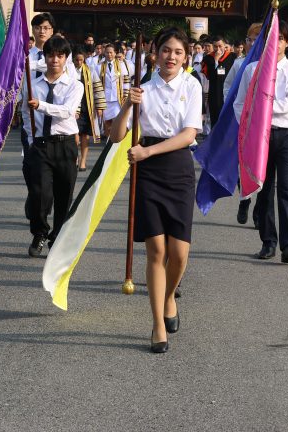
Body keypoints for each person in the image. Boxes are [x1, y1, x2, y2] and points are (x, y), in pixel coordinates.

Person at [110, 27, 201, 354]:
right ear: (155, 52)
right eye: (166, 50)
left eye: (177, 52)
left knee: (179, 254)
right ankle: (158, 324)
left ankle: (167, 298)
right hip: (147, 174)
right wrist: (126, 105)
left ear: (186, 56)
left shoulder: (192, 86)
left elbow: (190, 133)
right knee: (157, 251)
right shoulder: (142, 88)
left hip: (177, 168)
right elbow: (117, 135)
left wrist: (148, 152)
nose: (171, 57)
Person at [234, 20, 288, 264]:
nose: (277, 43)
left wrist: (260, 108)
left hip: (285, 135)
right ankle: (268, 242)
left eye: (282, 39)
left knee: (287, 188)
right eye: (272, 38)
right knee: (263, 188)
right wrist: (249, 124)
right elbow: (240, 104)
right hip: (258, 135)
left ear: (286, 42)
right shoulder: (252, 69)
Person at [21, 36, 83, 258]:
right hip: (41, 144)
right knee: (39, 194)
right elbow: (26, 116)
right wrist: (30, 140)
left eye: (60, 55)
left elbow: (67, 111)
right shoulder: (33, 85)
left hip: (65, 144)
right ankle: (39, 233)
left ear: (66, 59)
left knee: (64, 195)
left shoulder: (75, 85)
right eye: (50, 55)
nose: (55, 59)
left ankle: (57, 238)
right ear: (44, 57)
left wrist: (42, 106)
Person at [223, 23, 261, 226]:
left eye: (256, 40)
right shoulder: (239, 64)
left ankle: (259, 207)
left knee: (261, 164)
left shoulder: (268, 63)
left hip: (263, 123)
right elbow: (228, 86)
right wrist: (233, 108)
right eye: (249, 40)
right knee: (242, 165)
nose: (251, 44)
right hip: (241, 120)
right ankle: (244, 199)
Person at [73, 49, 106, 171]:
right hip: (74, 107)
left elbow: (98, 89)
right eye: (77, 60)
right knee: (74, 135)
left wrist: (100, 106)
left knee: (85, 136)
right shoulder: (69, 71)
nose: (79, 62)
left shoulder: (90, 71)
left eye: (81, 60)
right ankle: (75, 157)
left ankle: (83, 161)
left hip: (87, 106)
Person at [201, 35, 235, 128]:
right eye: (215, 46)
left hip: (228, 92)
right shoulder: (208, 59)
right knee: (215, 117)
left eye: (220, 46)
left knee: (227, 118)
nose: (218, 48)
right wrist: (216, 61)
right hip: (214, 92)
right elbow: (209, 76)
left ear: (224, 45)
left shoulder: (232, 57)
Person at [99, 42, 130, 138]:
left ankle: (115, 141)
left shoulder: (121, 65)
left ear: (115, 53)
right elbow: (97, 85)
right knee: (107, 123)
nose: (109, 55)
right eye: (107, 52)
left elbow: (126, 81)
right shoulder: (99, 66)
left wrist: (125, 95)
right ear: (104, 53)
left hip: (118, 98)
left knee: (117, 121)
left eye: (111, 52)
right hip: (105, 98)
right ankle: (108, 142)